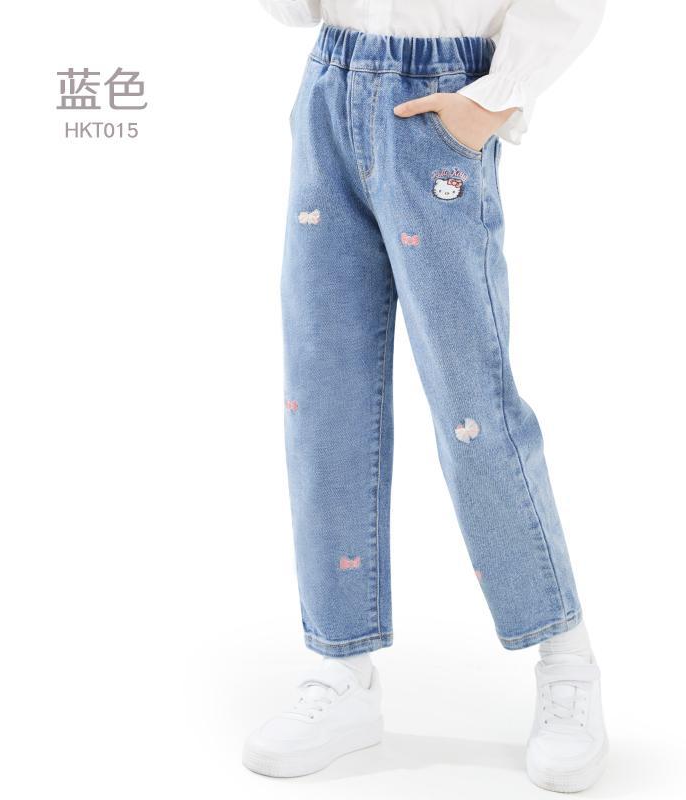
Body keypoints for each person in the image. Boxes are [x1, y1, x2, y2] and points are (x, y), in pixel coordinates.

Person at [244, 1, 608, 792]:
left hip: (440, 96)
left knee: (473, 403)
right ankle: (343, 668)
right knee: (322, 395)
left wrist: (498, 96)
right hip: (331, 85)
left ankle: (566, 660)